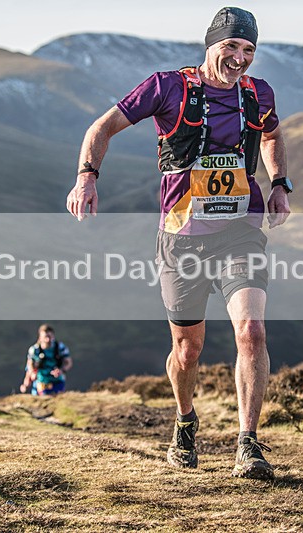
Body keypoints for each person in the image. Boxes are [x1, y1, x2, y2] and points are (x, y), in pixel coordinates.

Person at [67, 6, 291, 480]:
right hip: (181, 239)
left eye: (249, 49)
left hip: (241, 230)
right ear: (211, 45)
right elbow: (101, 128)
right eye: (231, 46)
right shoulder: (168, 87)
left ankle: (247, 443)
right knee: (187, 350)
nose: (240, 58)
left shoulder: (258, 94)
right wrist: (87, 177)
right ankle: (186, 420)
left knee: (251, 332)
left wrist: (279, 184)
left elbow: (271, 135)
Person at [20, 324, 73, 396]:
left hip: (57, 381)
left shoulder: (60, 347)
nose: (48, 340)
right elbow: (29, 365)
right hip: (41, 382)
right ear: (40, 338)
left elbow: (68, 362)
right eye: (45, 337)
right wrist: (27, 382)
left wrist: (61, 370)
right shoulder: (34, 350)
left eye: (50, 337)